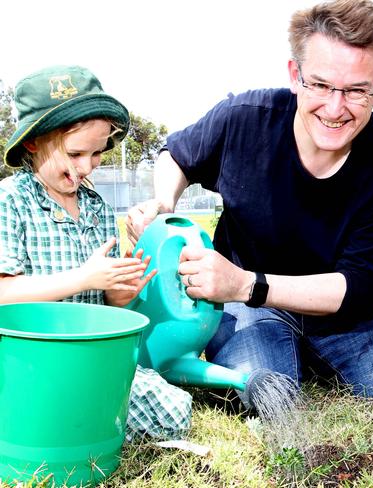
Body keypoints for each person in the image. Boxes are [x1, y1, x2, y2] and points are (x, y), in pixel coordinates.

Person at [127, 0, 373, 408]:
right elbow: (177, 156)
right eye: (320, 85)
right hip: (250, 310)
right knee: (266, 396)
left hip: (348, 317)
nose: (335, 108)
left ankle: (323, 356)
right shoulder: (244, 118)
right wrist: (164, 202)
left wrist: (245, 282)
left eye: (357, 90)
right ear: (295, 75)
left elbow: (362, 288)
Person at [0, 65, 190, 440]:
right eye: (75, 153)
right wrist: (83, 277)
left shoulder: (97, 208)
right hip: (29, 361)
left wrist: (120, 290)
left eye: (97, 153)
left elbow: (107, 308)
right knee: (63, 411)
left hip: (90, 357)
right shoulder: (10, 200)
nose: (86, 167)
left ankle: (68, 418)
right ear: (33, 142)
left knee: (174, 411)